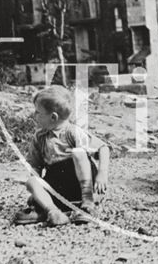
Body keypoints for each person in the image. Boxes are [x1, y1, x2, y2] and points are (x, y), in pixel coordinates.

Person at [13, 85, 110, 226]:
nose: (35, 115)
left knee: (78, 153)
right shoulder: (39, 137)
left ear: (53, 117)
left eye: (38, 112)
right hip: (58, 185)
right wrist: (38, 191)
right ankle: (52, 211)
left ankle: (88, 202)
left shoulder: (73, 132)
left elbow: (103, 147)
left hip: (81, 181)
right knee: (32, 181)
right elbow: (35, 165)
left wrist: (102, 174)